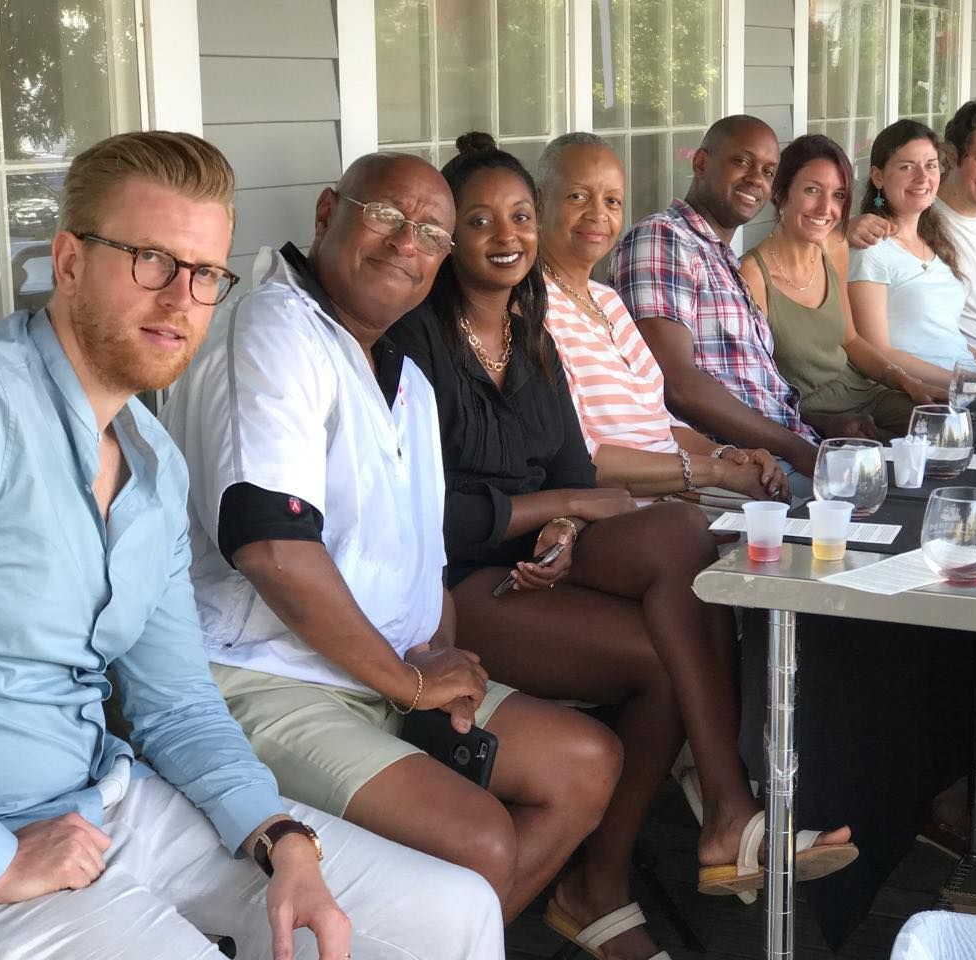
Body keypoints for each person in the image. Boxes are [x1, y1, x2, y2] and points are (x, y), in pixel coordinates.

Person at [0, 131, 502, 959]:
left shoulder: (151, 462)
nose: (182, 298)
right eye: (150, 260)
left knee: (454, 912)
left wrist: (273, 833)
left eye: (206, 274)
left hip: (104, 804)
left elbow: (176, 702)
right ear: (68, 262)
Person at [388, 133, 857, 960]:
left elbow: (573, 462)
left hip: (549, 559)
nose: (506, 235)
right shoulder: (419, 345)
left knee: (675, 652)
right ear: (450, 237)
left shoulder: (530, 330)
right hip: (463, 588)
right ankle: (723, 812)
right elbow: (434, 512)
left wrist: (566, 524)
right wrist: (571, 506)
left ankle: (603, 881)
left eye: (518, 217)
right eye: (480, 221)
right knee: (683, 546)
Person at [161, 152, 621, 925]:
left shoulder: (401, 373)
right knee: (478, 839)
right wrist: (408, 684)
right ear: (326, 213)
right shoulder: (274, 330)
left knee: (584, 764)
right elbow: (272, 550)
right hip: (266, 677)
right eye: (385, 216)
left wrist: (440, 653)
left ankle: (445, 940)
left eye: (431, 234)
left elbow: (419, 556)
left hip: (380, 669)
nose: (407, 243)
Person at [609, 115, 875, 487]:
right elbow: (678, 386)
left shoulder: (723, 260)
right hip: (743, 470)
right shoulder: (663, 239)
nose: (756, 179)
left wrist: (821, 424)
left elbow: (748, 390)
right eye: (742, 162)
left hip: (787, 455)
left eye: (767, 171)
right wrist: (798, 448)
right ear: (701, 163)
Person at [535, 131, 788, 500]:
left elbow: (659, 424)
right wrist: (716, 472)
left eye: (612, 201)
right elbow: (581, 458)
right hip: (627, 510)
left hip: (679, 492)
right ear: (538, 202)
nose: (598, 214)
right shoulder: (533, 308)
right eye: (578, 196)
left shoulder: (607, 301)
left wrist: (729, 455)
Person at [739, 134, 941, 440]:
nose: (826, 208)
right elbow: (754, 389)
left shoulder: (833, 247)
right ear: (780, 193)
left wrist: (908, 382)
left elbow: (850, 340)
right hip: (811, 419)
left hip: (865, 394)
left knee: (946, 424)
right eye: (811, 190)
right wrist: (818, 423)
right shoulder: (751, 275)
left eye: (838, 195)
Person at [848, 98, 976, 363]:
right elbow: (829, 225)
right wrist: (844, 230)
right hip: (954, 371)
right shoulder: (913, 213)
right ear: (952, 156)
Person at [847, 119, 976, 391]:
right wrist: (964, 382)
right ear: (878, 176)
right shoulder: (871, 249)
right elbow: (878, 351)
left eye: (930, 165)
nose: (922, 177)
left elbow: (946, 337)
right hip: (922, 394)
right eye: (907, 167)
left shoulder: (935, 241)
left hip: (964, 382)